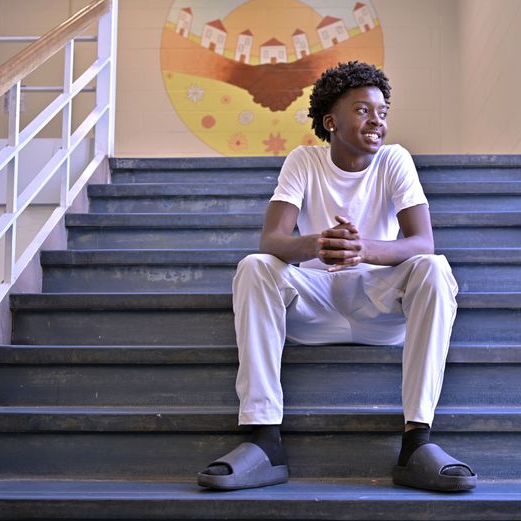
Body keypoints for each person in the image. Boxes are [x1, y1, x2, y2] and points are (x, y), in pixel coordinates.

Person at [197, 61, 475, 492]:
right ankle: (265, 440)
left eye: (382, 111)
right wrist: (316, 244)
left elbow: (422, 242)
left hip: (377, 306)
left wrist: (365, 249)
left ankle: (417, 440)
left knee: (434, 268)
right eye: (362, 110)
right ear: (331, 121)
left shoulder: (395, 161)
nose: (376, 120)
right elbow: (272, 238)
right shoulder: (303, 161)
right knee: (254, 266)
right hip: (315, 306)